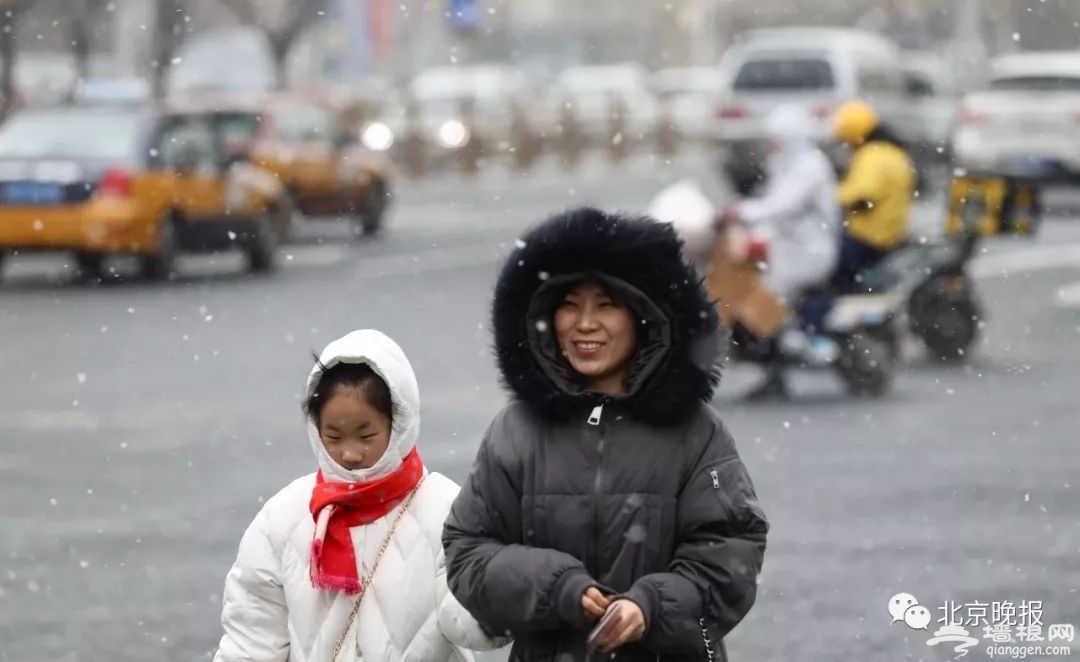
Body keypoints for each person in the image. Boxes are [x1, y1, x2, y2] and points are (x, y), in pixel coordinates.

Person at [443, 208, 769, 661]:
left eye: (607, 305)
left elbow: (731, 553)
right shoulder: (517, 430)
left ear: (644, 318)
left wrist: (652, 605)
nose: (585, 324)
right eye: (569, 305)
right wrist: (557, 587)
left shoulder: (697, 432)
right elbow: (468, 552)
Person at [214, 329, 503, 662]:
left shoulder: (447, 509)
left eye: (366, 435)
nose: (349, 453)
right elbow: (251, 642)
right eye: (333, 436)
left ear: (400, 423)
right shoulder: (282, 518)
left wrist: (501, 603)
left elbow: (466, 621)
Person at [717, 104, 842, 400]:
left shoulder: (809, 166)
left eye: (778, 139)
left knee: (760, 309)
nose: (772, 145)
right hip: (788, 251)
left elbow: (783, 205)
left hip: (807, 255)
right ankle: (775, 362)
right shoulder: (788, 164)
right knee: (755, 300)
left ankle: (783, 359)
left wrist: (741, 210)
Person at [831, 99, 917, 293]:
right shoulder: (894, 152)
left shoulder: (872, 156)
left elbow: (861, 195)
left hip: (869, 236)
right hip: (892, 233)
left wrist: (832, 196)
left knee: (831, 268)